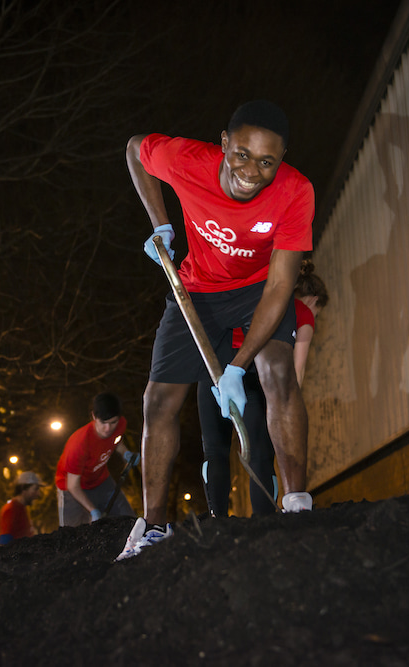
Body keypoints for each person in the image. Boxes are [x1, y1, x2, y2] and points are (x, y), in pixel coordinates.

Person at [118, 99, 315, 560]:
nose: (251, 171)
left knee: (278, 372)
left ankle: (297, 506)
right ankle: (153, 527)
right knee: (158, 401)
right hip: (197, 289)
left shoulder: (295, 191)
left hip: (258, 290)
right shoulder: (188, 161)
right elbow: (134, 149)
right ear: (224, 143)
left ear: (281, 160)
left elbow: (280, 287)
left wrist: (237, 367)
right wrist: (161, 224)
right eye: (242, 154)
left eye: (267, 162)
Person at [197, 259, 329, 517]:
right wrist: (284, 411)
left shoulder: (241, 293)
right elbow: (295, 375)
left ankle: (216, 521)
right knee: (260, 453)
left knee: (214, 449)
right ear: (313, 299)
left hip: (214, 368)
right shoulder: (301, 311)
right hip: (250, 373)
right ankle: (265, 520)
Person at [55, 392, 139, 527]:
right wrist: (92, 510)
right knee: (71, 534)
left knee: (129, 521)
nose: (108, 429)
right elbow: (72, 485)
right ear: (94, 416)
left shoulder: (120, 424)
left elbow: (116, 440)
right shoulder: (79, 444)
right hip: (72, 487)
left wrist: (126, 453)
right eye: (103, 422)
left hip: (101, 481)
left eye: (113, 422)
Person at [0, 471, 42, 545]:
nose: (38, 494)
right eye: (35, 489)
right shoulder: (11, 510)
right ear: (23, 488)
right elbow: (5, 542)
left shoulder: (22, 509)